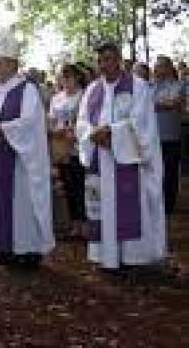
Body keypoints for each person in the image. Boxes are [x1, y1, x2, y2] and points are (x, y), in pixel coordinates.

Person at [76, 42, 166, 272]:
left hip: (127, 162)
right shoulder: (92, 89)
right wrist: (90, 133)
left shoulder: (138, 87)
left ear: (118, 59)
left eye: (108, 59)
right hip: (101, 161)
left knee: (129, 206)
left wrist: (111, 133)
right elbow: (82, 122)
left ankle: (133, 258)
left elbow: (142, 123)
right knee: (103, 208)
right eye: (100, 60)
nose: (104, 65)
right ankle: (107, 257)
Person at [0, 30, 54, 268]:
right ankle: (4, 248)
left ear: (13, 64)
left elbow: (29, 124)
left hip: (19, 162)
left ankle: (28, 253)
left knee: (21, 206)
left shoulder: (26, 90)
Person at [49, 64, 86, 239]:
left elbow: (85, 119)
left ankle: (83, 224)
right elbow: (52, 119)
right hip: (60, 144)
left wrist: (73, 131)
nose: (66, 81)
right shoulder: (56, 98)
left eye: (69, 77)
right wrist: (53, 131)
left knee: (79, 185)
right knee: (67, 185)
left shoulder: (84, 96)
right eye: (63, 77)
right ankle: (72, 223)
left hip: (77, 145)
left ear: (77, 78)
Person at [152, 56, 183, 217]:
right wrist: (163, 103)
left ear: (169, 68)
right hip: (154, 137)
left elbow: (175, 103)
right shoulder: (151, 86)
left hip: (172, 136)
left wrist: (158, 104)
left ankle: (168, 205)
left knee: (170, 171)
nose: (156, 70)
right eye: (155, 67)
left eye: (160, 67)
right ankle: (157, 201)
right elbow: (148, 105)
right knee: (157, 170)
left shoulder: (178, 85)